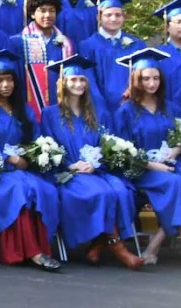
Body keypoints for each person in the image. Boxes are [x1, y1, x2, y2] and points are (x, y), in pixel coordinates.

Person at [113, 47, 181, 272]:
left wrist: (177, 150)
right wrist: (152, 165)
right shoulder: (125, 112)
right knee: (177, 185)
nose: (152, 83)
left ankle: (155, 244)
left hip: (174, 162)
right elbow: (121, 153)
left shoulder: (171, 108)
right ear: (136, 80)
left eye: (156, 77)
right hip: (142, 168)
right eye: (146, 78)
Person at [38, 55, 142, 269]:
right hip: (69, 173)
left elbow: (109, 143)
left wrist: (96, 163)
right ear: (63, 83)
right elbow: (47, 145)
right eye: (73, 80)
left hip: (97, 170)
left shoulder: (99, 113)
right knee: (100, 193)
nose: (78, 84)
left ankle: (98, 245)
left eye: (82, 80)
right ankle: (117, 246)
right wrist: (69, 164)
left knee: (124, 191)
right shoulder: (50, 114)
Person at [0, 50, 62, 272]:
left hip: (24, 170)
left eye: (9, 80)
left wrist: (34, 155)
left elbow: (36, 139)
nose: (5, 85)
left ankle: (40, 249)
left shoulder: (24, 110)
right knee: (19, 190)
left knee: (41, 189)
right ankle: (33, 253)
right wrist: (8, 158)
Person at [5, 0, 72, 118]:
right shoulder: (18, 42)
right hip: (28, 106)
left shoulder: (65, 43)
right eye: (42, 10)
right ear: (32, 13)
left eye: (52, 11)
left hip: (59, 106)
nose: (47, 15)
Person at [79, 0, 145, 117]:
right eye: (108, 15)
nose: (114, 19)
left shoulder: (137, 44)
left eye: (118, 15)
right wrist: (99, 105)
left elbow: (142, 75)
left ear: (123, 17)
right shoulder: (87, 45)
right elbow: (88, 79)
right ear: (99, 17)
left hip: (132, 105)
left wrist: (132, 93)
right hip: (100, 107)